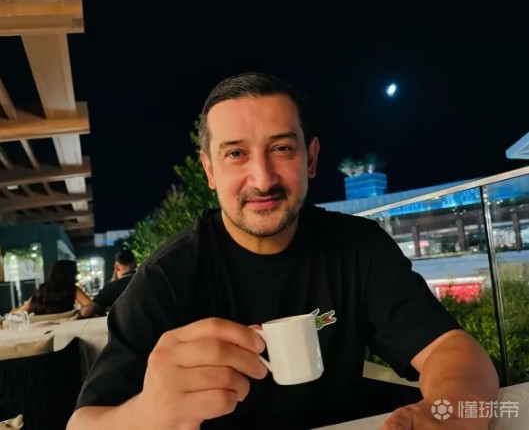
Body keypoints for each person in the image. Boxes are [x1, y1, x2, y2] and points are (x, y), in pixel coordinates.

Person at [68, 72, 499, 429]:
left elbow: (451, 351)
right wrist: (149, 412)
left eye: (281, 148)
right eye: (236, 153)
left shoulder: (358, 247)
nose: (263, 178)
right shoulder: (167, 276)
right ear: (210, 170)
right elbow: (83, 422)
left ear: (311, 158)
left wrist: (447, 413)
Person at [19, 259, 92, 315]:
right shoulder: (72, 289)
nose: (77, 273)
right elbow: (89, 305)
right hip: (66, 323)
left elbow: (23, 311)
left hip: (41, 326)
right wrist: (82, 312)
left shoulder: (42, 289)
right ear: (70, 274)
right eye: (76, 271)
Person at [80, 250, 137, 318]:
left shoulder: (111, 288)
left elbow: (88, 310)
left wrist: (112, 283)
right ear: (135, 263)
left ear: (116, 267)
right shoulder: (146, 280)